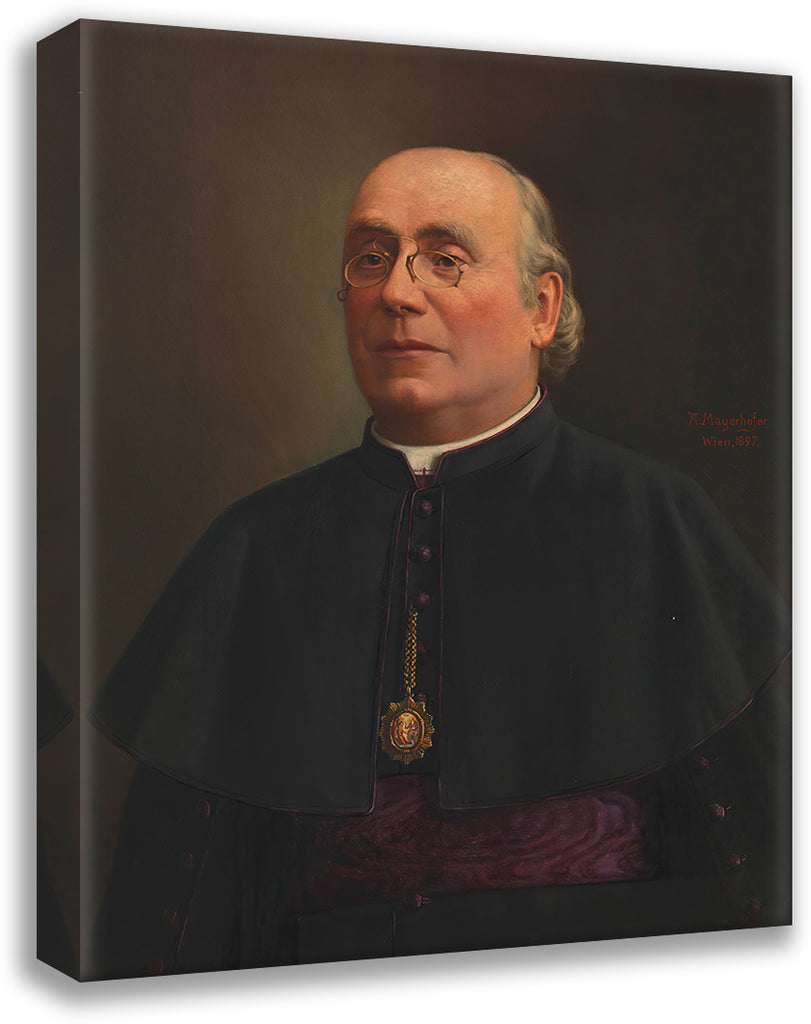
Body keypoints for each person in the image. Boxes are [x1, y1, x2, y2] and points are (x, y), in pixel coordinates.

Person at [88, 147, 790, 980]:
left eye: (445, 259)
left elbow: (760, 880)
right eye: (370, 257)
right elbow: (169, 918)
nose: (396, 292)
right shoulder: (251, 545)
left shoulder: (658, 520)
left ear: (540, 307)